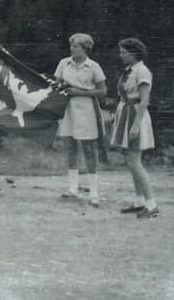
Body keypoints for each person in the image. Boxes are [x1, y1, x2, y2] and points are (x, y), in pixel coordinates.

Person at [53, 33, 107, 205]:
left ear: (85, 48)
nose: (72, 48)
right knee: (71, 147)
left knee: (89, 148)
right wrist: (60, 88)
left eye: (75, 45)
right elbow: (56, 84)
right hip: (68, 108)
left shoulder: (93, 66)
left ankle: (94, 192)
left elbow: (102, 91)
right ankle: (73, 188)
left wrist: (80, 92)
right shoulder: (63, 63)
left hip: (87, 109)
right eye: (71, 45)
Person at [110, 37, 158, 219]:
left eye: (123, 52)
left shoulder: (142, 71)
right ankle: (140, 201)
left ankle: (152, 204)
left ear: (133, 53)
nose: (120, 55)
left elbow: (145, 100)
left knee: (134, 161)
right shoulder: (129, 70)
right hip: (125, 113)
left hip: (136, 115)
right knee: (130, 160)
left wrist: (136, 124)